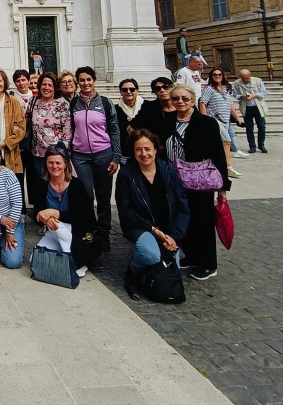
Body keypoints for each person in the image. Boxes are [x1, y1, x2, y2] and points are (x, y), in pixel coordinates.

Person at [115, 128, 191, 297]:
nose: (144, 154)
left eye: (148, 149)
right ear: (133, 151)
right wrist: (154, 230)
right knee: (150, 255)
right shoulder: (127, 174)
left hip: (168, 227)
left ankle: (149, 271)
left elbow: (182, 206)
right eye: (138, 149)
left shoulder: (168, 170)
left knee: (171, 269)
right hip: (141, 226)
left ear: (156, 149)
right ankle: (133, 273)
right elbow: (125, 210)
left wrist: (175, 236)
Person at [166, 83, 230, 281]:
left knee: (202, 221)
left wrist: (223, 187)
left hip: (199, 179)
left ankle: (209, 264)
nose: (180, 102)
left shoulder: (206, 122)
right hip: (175, 178)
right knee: (185, 218)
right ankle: (192, 255)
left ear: (193, 100)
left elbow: (218, 154)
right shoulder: (168, 120)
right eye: (176, 98)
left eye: (185, 98)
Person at [70, 66, 121, 252]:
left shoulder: (105, 103)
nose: (85, 83)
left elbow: (114, 130)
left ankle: (104, 233)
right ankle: (89, 231)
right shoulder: (73, 103)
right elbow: (71, 130)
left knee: (103, 196)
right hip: (80, 156)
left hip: (103, 154)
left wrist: (116, 156)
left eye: (88, 79)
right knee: (86, 195)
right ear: (78, 82)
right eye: (82, 80)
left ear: (94, 80)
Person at [34, 146, 100, 277]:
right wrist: (46, 219)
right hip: (54, 229)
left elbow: (79, 217)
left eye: (58, 163)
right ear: (46, 164)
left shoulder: (76, 185)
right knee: (35, 261)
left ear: (65, 164)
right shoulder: (42, 184)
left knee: (57, 227)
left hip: (77, 229)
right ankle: (64, 254)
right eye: (50, 162)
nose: (54, 166)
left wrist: (54, 213)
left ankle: (71, 259)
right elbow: (38, 212)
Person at [201, 68, 244, 177]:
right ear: (211, 77)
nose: (217, 76)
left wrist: (238, 118)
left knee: (217, 144)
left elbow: (230, 105)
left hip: (225, 119)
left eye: (219, 74)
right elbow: (202, 103)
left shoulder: (226, 88)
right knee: (227, 141)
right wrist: (204, 119)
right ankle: (228, 167)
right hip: (214, 119)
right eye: (214, 75)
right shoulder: (209, 89)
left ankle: (214, 165)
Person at [28, 72, 71, 178]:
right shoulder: (33, 101)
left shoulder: (62, 104)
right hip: (38, 154)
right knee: (42, 186)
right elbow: (26, 120)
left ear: (55, 88)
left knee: (57, 185)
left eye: (50, 85)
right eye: (44, 84)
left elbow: (67, 131)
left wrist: (63, 153)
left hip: (56, 155)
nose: (46, 88)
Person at [131, 77, 177, 151]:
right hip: (157, 152)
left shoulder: (182, 105)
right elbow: (131, 128)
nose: (162, 90)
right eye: (157, 89)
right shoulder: (149, 107)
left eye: (166, 87)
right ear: (154, 92)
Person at [232, 69, 268, 153]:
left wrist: (254, 96)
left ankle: (261, 145)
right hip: (246, 108)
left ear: (250, 76)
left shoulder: (258, 81)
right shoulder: (237, 83)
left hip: (258, 107)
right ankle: (252, 146)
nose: (245, 80)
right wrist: (242, 96)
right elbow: (235, 94)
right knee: (249, 128)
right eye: (243, 78)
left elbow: (264, 93)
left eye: (247, 78)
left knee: (262, 126)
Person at [115, 78, 145, 159]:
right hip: (125, 152)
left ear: (137, 90)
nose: (128, 92)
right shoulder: (115, 110)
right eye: (124, 90)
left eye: (132, 89)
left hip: (145, 151)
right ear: (121, 92)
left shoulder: (147, 107)